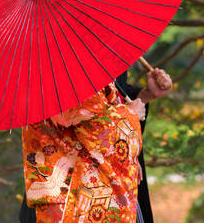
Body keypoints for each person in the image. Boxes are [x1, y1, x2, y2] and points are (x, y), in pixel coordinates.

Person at [19, 67, 173, 223]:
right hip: (77, 189)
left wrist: (144, 97)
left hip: (81, 185)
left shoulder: (60, 62)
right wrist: (130, 115)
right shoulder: (65, 66)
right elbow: (88, 122)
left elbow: (108, 100)